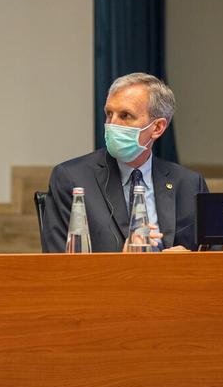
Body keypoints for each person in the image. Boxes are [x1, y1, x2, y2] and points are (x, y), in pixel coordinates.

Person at [42, 73, 208, 253]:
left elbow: (215, 262)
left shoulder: (189, 184)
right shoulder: (72, 179)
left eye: (125, 115)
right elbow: (58, 266)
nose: (112, 124)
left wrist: (188, 264)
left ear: (157, 127)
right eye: (109, 114)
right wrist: (123, 261)